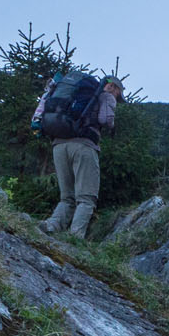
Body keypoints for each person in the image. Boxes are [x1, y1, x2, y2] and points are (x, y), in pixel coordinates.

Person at [35, 76, 122, 237]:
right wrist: (112, 126)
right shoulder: (106, 96)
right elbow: (106, 119)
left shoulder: (75, 93)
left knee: (67, 197)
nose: (117, 96)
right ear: (113, 87)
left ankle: (51, 226)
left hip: (59, 145)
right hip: (84, 146)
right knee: (86, 197)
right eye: (118, 93)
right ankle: (75, 236)